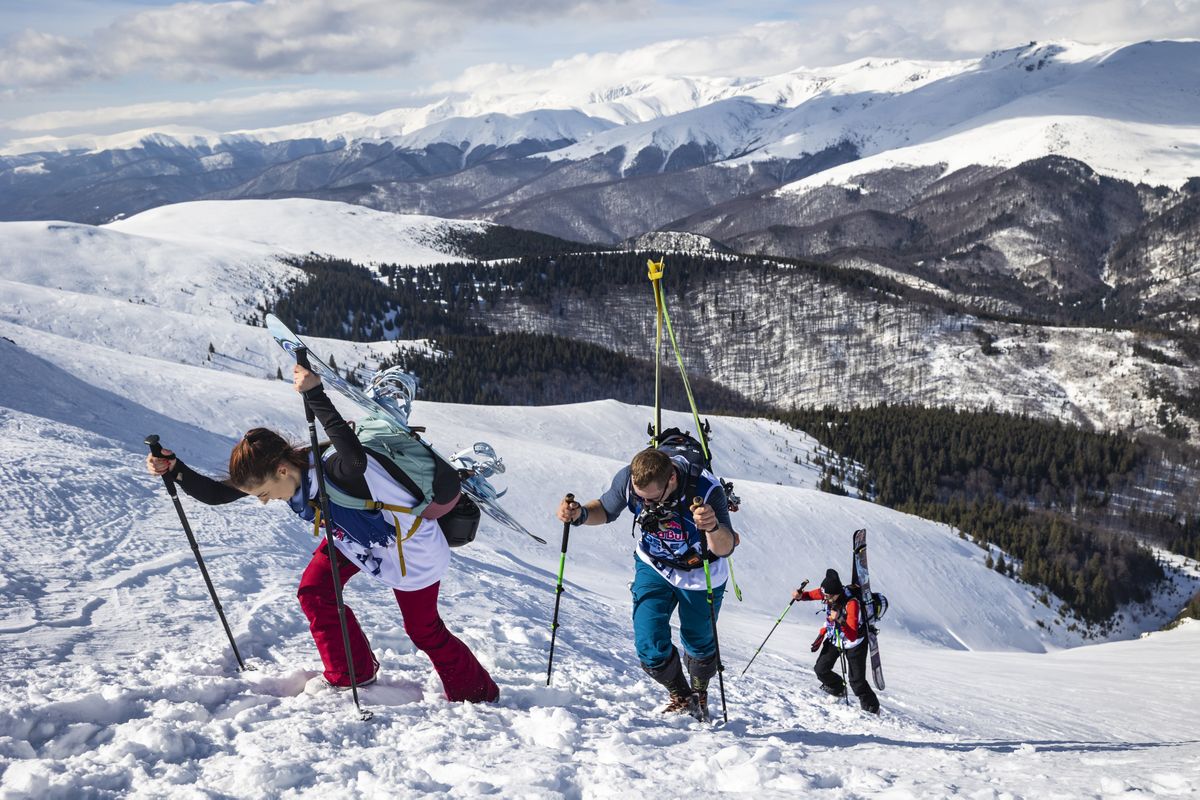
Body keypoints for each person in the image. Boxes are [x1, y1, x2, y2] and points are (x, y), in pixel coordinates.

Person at [145, 364, 498, 703]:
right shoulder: (290, 472)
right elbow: (216, 494)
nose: (265, 502)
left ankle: (478, 695)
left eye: (265, 493)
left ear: (282, 470)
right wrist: (176, 470)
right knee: (315, 592)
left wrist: (316, 394)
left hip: (408, 547)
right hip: (355, 540)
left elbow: (355, 459)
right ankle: (351, 673)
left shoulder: (334, 469)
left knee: (423, 630)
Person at [556, 447, 736, 719]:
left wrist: (711, 526)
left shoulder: (707, 489)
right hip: (654, 564)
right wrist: (579, 514)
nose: (647, 505)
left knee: (699, 641)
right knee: (649, 639)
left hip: (701, 571)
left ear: (672, 479)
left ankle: (700, 690)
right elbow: (605, 509)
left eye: (653, 498)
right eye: (642, 499)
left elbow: (726, 546)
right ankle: (682, 696)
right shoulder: (630, 481)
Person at [793, 568, 879, 714]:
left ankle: (872, 709)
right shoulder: (828, 592)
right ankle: (838, 689)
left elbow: (852, 634)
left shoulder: (851, 604)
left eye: (827, 596)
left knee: (856, 681)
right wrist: (801, 596)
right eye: (824, 595)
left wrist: (839, 619)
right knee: (821, 669)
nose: (824, 598)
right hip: (836, 638)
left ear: (836, 593)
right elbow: (813, 594)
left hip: (854, 643)